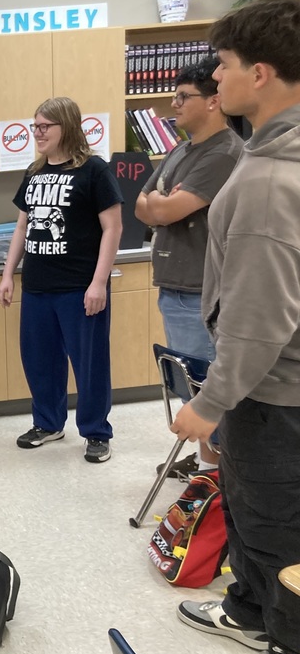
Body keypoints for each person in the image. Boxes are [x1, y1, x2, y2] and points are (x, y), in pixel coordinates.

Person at [171, 0, 300, 654]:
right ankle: (251, 612)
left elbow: (260, 319)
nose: (212, 78)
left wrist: (210, 404)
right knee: (252, 506)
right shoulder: (268, 151)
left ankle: (285, 646)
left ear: (262, 74)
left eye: (222, 64)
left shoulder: (273, 178)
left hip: (275, 394)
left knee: (277, 520)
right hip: (270, 388)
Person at [0, 97, 123, 463]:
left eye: (44, 127)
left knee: (89, 364)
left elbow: (113, 228)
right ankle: (48, 423)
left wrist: (99, 283)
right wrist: (8, 275)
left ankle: (97, 432)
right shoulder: (34, 172)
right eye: (35, 126)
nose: (37, 133)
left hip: (79, 287)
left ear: (66, 127)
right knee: (39, 361)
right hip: (37, 286)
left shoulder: (94, 171)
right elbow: (22, 225)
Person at [134, 57, 243, 478]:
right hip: (175, 287)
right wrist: (161, 205)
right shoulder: (182, 149)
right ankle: (205, 465)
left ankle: (216, 476)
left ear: (214, 101)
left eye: (184, 97)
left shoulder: (225, 152)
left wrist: (163, 205)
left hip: (202, 291)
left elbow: (169, 207)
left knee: (207, 391)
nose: (173, 105)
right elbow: (144, 204)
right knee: (191, 387)